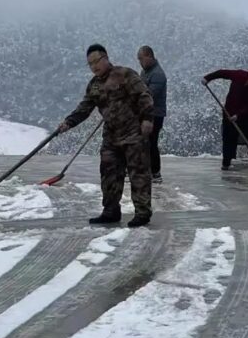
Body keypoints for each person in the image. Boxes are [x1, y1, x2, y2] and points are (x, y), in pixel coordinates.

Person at [59, 44, 155, 227]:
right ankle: (111, 211)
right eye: (90, 64)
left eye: (96, 61)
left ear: (106, 58)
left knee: (138, 174)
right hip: (111, 136)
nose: (94, 66)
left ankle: (142, 213)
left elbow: (145, 95)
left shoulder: (125, 74)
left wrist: (147, 119)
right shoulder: (94, 85)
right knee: (109, 174)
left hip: (134, 133)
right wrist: (68, 122)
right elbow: (84, 108)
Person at [202, 65, 248, 170]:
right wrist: (207, 78)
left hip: (244, 116)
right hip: (228, 112)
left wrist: (238, 115)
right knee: (228, 138)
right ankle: (227, 163)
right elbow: (222, 73)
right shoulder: (238, 75)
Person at [137, 45, 167, 183]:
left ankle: (155, 173)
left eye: (141, 59)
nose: (140, 62)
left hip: (155, 114)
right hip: (145, 113)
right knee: (143, 142)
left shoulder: (158, 74)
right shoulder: (145, 72)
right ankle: (144, 170)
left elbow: (149, 95)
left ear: (149, 56)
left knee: (151, 142)